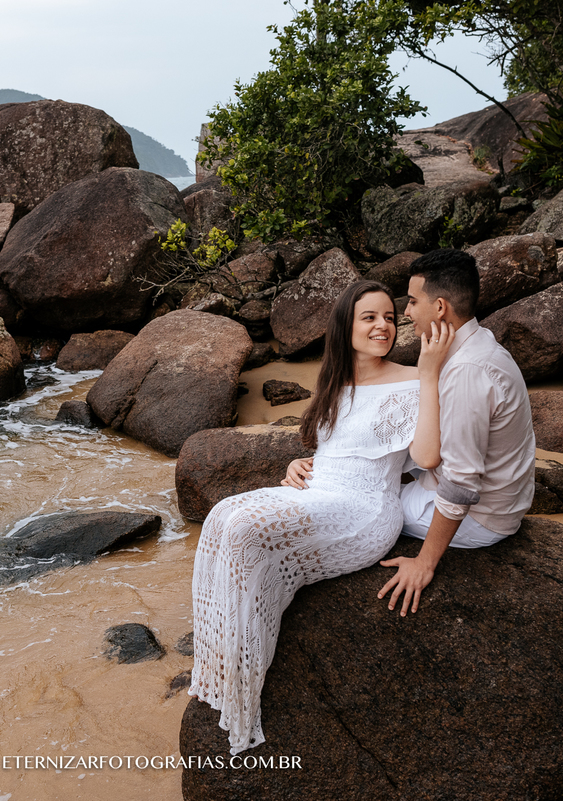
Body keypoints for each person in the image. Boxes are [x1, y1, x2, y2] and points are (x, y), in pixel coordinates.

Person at [189, 279, 452, 755]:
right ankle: (222, 661)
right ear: (345, 326)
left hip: (367, 510)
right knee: (222, 515)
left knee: (248, 529)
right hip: (319, 493)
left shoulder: (414, 380)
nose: (383, 327)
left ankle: (242, 673)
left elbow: (429, 458)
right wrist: (299, 463)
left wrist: (430, 375)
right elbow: (334, 449)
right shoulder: (334, 382)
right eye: (369, 317)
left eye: (390, 317)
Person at [377, 248, 536, 616]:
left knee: (369, 505)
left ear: (440, 308)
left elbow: (462, 482)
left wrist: (424, 563)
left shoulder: (469, 370)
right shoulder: (477, 343)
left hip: (482, 517)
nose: (406, 312)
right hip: (493, 498)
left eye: (413, 301)